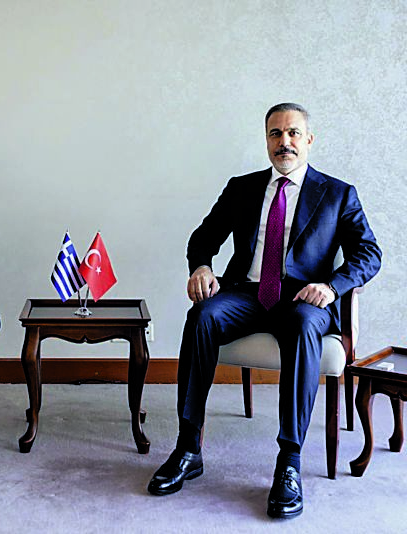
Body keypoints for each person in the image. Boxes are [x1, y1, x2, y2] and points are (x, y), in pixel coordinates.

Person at [147, 103, 381, 519]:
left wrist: (332, 286)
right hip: (248, 293)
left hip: (305, 298)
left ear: (309, 140)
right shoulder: (242, 187)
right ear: (267, 140)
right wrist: (201, 267)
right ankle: (188, 447)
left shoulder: (338, 193)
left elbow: (369, 253)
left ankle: (289, 461)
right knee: (201, 316)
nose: (284, 142)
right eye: (275, 134)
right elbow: (203, 237)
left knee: (304, 326)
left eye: (293, 133)